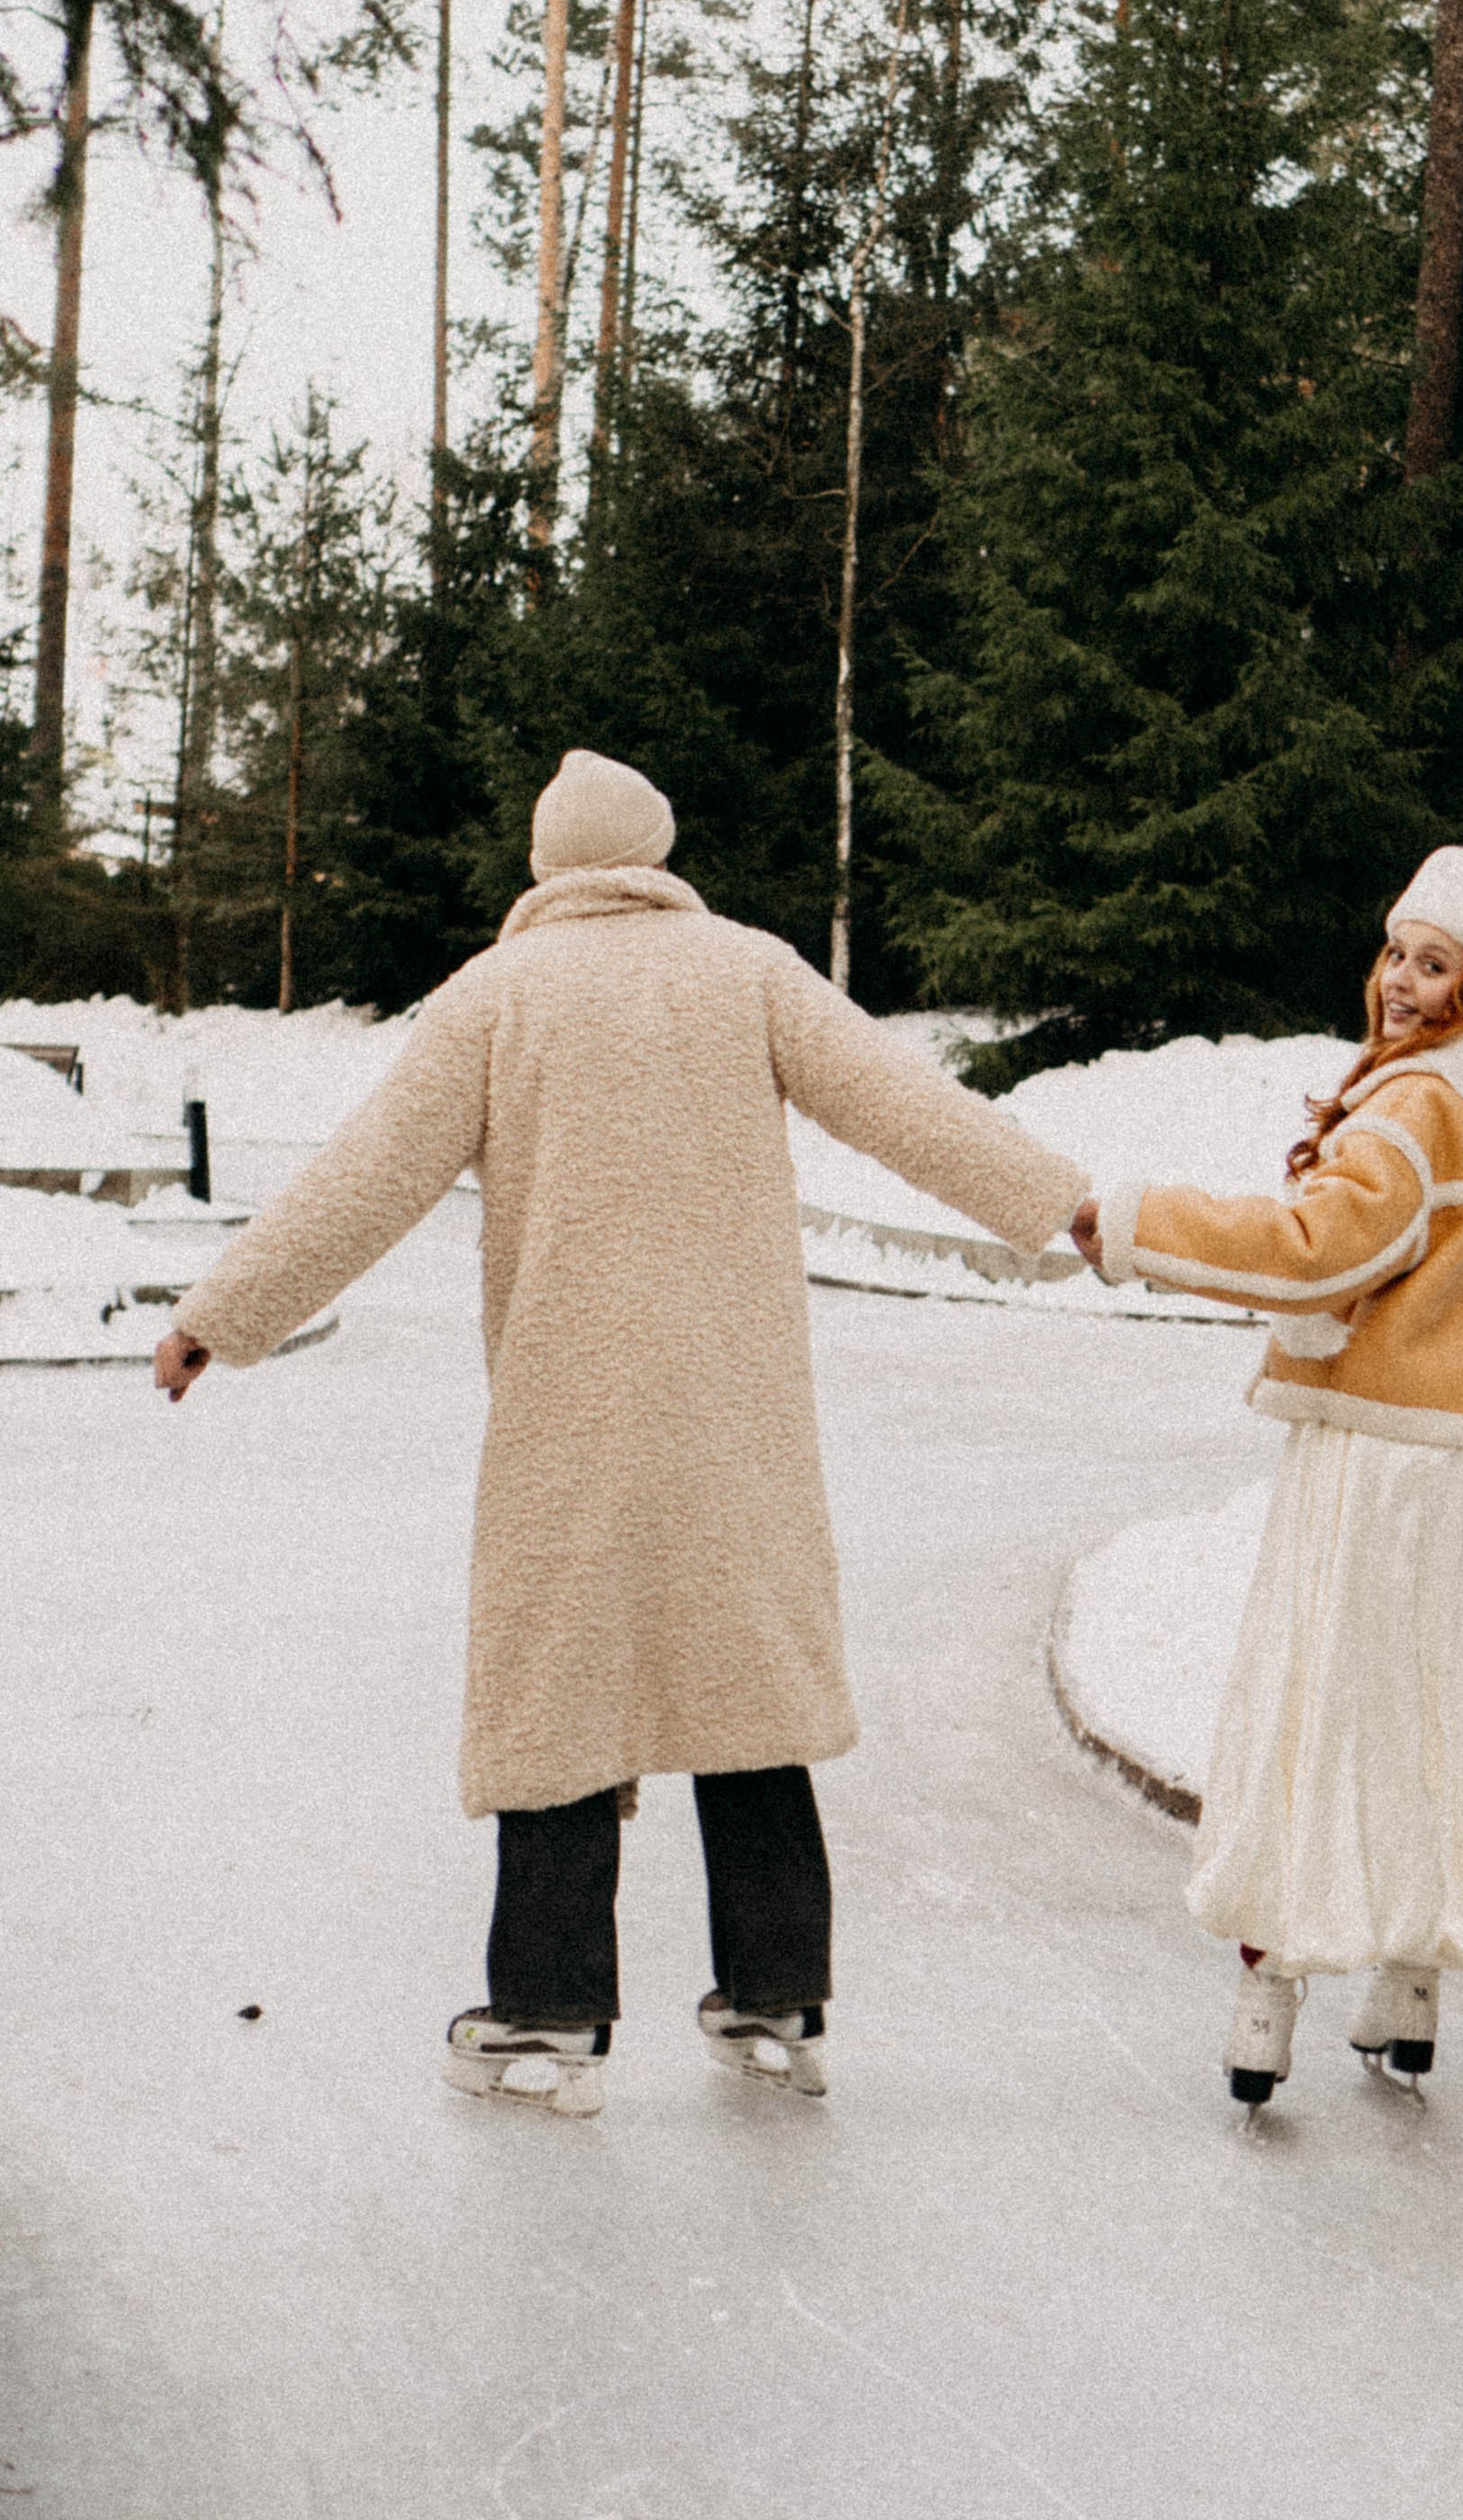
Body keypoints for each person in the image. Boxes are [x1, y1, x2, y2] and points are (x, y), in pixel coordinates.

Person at [153, 747, 1085, 2119]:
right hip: (735, 1412)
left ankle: (546, 2018)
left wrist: (218, 1318)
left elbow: (364, 1179)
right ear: (655, 851)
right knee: (746, 1687)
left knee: (559, 1691)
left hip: (569, 1415)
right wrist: (1060, 1202)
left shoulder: (496, 994)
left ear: (546, 863)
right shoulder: (751, 970)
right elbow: (904, 1104)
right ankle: (776, 1995)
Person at [1070, 845, 1463, 2109]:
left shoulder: (1421, 1104)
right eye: (1396, 953)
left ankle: (1268, 2001)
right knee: (1438, 1716)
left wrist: (1143, 1224)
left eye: (1436, 965)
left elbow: (1317, 1252)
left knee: (1319, 1716)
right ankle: (1410, 1986)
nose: (1403, 983)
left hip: (1379, 1462)